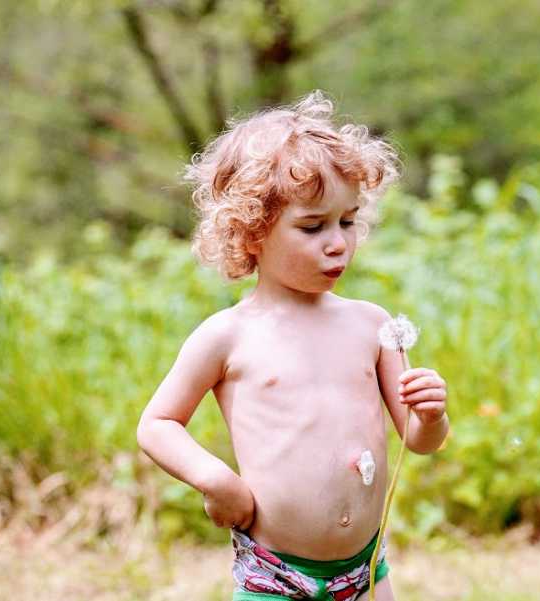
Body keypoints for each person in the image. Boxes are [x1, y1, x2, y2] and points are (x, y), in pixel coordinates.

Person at [136, 90, 450, 601]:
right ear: (252, 232)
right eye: (312, 226)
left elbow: (417, 439)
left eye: (347, 221)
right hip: (275, 577)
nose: (338, 243)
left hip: (366, 572)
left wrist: (432, 415)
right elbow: (157, 424)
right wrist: (218, 481)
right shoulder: (228, 336)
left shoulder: (371, 325)